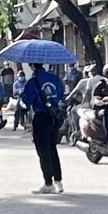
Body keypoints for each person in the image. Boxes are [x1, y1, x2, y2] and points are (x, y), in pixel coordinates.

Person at [21, 61, 67, 193]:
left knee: (43, 150)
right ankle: (58, 181)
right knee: (53, 148)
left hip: (41, 118)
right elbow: (60, 95)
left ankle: (48, 183)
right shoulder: (55, 78)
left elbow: (27, 100)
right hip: (55, 118)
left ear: (32, 66)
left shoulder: (33, 82)